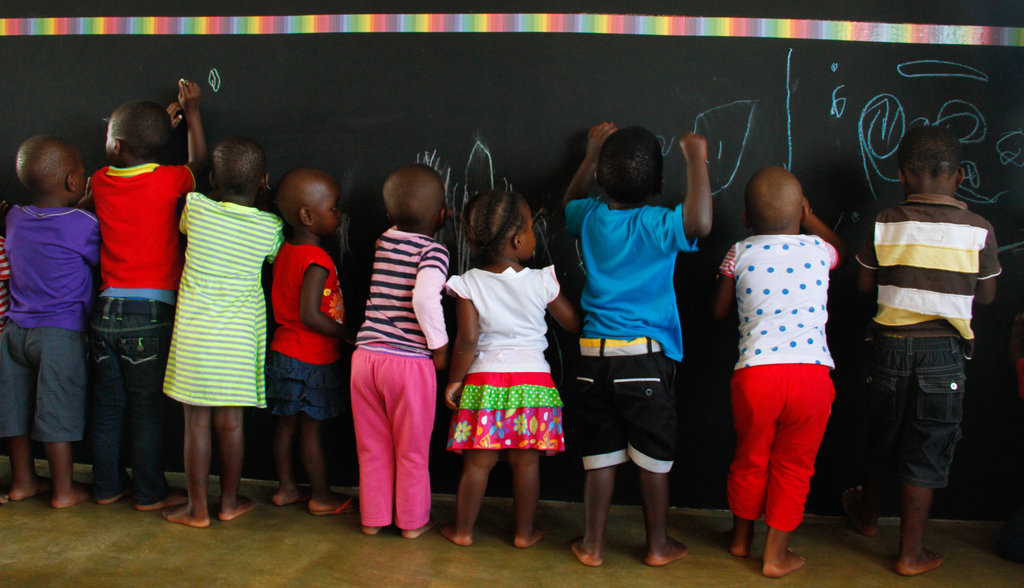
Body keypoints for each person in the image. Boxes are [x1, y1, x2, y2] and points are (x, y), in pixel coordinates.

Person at [843, 125, 1000, 575]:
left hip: (889, 348)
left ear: (902, 176)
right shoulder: (978, 230)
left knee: (882, 435)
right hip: (945, 354)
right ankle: (910, 554)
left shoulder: (887, 222)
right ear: (961, 177)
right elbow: (986, 297)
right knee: (926, 449)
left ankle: (869, 516)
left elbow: (864, 283)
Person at [563, 123, 712, 566]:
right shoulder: (655, 223)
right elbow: (700, 221)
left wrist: (589, 156)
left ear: (601, 181)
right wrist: (695, 158)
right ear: (660, 186)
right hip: (643, 359)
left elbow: (568, 203)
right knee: (652, 459)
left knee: (601, 456)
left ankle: (592, 545)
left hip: (593, 357)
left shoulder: (588, 216)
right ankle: (658, 544)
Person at [710, 167, 846, 577]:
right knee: (793, 466)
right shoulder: (819, 249)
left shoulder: (740, 251)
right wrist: (811, 219)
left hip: (756, 377)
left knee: (750, 458)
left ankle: (739, 540)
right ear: (801, 212)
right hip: (811, 377)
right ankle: (776, 555)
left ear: (746, 219)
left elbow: (718, 311)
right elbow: (840, 247)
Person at [88, 79, 208, 511]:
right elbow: (199, 162)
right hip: (152, 312)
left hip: (105, 309)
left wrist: (153, 132)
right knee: (146, 412)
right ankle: (149, 493)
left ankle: (104, 487)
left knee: (106, 408)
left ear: (116, 146)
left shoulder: (99, 181)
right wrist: (191, 115)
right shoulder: (168, 180)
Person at [439, 190, 580, 548]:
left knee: (477, 466)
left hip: (485, 383)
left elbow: (467, 341)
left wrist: (455, 380)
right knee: (526, 466)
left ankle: (463, 531)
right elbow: (570, 323)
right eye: (532, 228)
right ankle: (523, 533)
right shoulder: (541, 281)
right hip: (533, 386)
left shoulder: (469, 283)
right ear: (519, 240)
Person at [161, 137, 283, 528]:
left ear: (212, 178)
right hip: (238, 345)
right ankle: (229, 502)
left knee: (195, 424)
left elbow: (190, 208)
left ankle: (197, 510)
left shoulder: (196, 209)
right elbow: (277, 257)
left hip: (196, 340)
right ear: (264, 180)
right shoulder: (270, 228)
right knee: (232, 425)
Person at [350, 164, 450, 539]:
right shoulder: (435, 251)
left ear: (389, 216)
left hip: (366, 358)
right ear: (442, 216)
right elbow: (425, 298)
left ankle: (373, 519)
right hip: (408, 362)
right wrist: (438, 347)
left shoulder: (384, 241)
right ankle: (411, 522)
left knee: (372, 447)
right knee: (411, 450)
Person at [0, 136, 100, 508]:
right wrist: (83, 211)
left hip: (13, 332)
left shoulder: (14, 217)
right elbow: (91, 251)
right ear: (75, 183)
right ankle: (63, 490)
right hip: (60, 333)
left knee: (14, 411)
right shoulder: (84, 224)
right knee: (58, 410)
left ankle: (23, 481)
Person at [266, 168, 355, 516]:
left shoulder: (285, 250)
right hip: (310, 359)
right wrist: (348, 333)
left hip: (284, 353)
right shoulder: (316, 260)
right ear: (307, 215)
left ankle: (286, 487)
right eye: (333, 208)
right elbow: (311, 315)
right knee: (311, 429)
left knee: (286, 425)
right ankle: (320, 495)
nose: (339, 214)